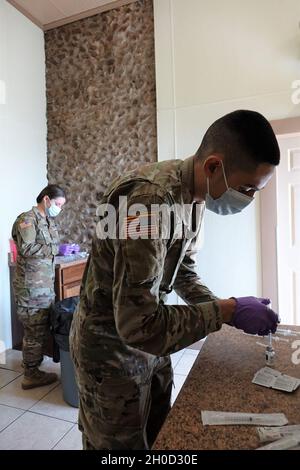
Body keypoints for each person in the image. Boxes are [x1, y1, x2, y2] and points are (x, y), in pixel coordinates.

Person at [70, 110, 280, 450]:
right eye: (246, 188)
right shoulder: (150, 202)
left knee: (158, 439)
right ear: (214, 166)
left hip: (150, 349)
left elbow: (182, 272)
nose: (248, 199)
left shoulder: (194, 198)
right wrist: (224, 311)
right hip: (110, 354)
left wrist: (227, 308)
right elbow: (137, 323)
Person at [12, 185, 66, 389]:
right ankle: (31, 375)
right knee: (34, 331)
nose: (59, 209)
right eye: (58, 204)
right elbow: (26, 248)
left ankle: (33, 365)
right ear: (46, 199)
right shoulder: (27, 219)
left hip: (43, 288)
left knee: (40, 329)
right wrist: (54, 248)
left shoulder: (47, 221)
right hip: (31, 290)